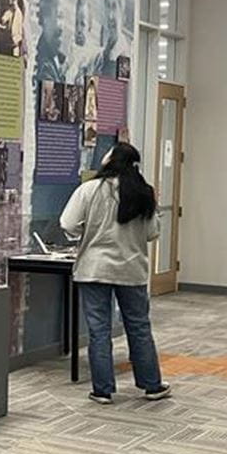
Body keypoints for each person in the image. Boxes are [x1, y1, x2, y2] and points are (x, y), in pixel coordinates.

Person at [60, 142, 172, 404]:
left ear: (110, 160)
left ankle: (103, 390)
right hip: (131, 269)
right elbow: (152, 232)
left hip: (94, 268)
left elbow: (68, 223)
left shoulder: (89, 189)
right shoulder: (144, 193)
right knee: (139, 327)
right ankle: (152, 385)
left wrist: (87, 232)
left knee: (99, 330)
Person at [34, 0, 68, 86]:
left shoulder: (58, 58)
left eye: (61, 16)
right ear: (43, 18)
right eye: (55, 16)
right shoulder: (45, 66)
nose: (59, 25)